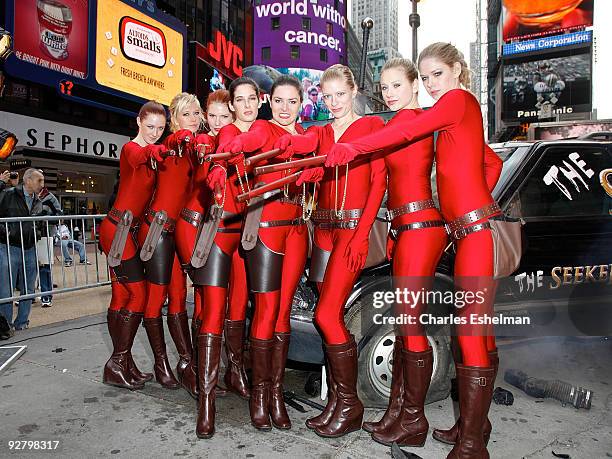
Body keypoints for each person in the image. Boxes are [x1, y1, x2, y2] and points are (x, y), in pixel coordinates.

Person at [325, 42, 503, 458]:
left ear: (458, 70)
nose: (430, 83)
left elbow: (405, 130)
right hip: (462, 230)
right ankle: (472, 426)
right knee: (474, 333)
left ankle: (470, 443)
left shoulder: (457, 100)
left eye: (434, 74)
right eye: (425, 77)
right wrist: (463, 207)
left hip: (469, 231)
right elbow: (488, 162)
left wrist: (474, 210)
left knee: (469, 333)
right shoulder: (451, 113)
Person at [274, 64, 387, 438]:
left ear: (353, 92)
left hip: (351, 228)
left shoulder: (371, 128)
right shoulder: (320, 131)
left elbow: (377, 183)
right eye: (328, 96)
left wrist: (360, 234)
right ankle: (338, 400)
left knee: (325, 315)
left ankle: (350, 402)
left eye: (340, 94)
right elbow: (301, 150)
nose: (334, 102)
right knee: (330, 313)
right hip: (320, 229)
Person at [219, 75, 309, 432]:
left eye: (293, 102)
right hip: (268, 226)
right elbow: (240, 140)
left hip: (299, 229)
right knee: (266, 310)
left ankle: (274, 393)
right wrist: (229, 143)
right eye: (280, 101)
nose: (286, 108)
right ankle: (259, 395)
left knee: (285, 313)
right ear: (269, 102)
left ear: (301, 104)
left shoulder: (306, 134)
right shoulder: (261, 130)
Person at [182, 79, 261, 439]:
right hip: (218, 232)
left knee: (239, 310)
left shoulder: (265, 130)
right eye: (238, 100)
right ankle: (207, 402)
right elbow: (225, 146)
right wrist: (217, 166)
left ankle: (236, 371)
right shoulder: (226, 133)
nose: (245, 106)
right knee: (212, 312)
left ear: (259, 102)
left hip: (249, 235)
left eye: (249, 100)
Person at [98, 100, 168, 391]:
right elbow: (141, 154)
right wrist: (162, 148)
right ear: (138, 122)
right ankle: (117, 361)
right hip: (118, 230)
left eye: (161, 128)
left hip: (127, 231)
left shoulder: (152, 156)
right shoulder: (132, 150)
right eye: (150, 126)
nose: (154, 132)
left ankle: (123, 364)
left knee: (121, 297)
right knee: (137, 296)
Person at [173, 88, 233, 399]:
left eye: (224, 116)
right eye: (212, 116)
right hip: (192, 226)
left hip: (212, 228)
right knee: (206, 300)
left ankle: (204, 373)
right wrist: (186, 138)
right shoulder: (203, 140)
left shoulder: (231, 140)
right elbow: (188, 143)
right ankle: (194, 372)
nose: (216, 121)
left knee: (209, 302)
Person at [137, 93, 200, 390]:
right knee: (155, 297)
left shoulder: (197, 149)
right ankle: (160, 363)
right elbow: (171, 145)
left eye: (196, 113)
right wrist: (179, 139)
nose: (193, 118)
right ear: (173, 119)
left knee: (179, 298)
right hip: (157, 230)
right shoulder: (167, 147)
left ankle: (186, 360)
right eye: (186, 113)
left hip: (180, 233)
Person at [0, 168, 45, 331]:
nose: (42, 184)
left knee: (29, 288)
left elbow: (40, 222)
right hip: (9, 247)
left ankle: (22, 322)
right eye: (39, 180)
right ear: (28, 181)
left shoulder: (38, 201)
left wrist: (37, 233)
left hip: (30, 248)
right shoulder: (9, 194)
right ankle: (5, 324)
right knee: (6, 288)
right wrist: (5, 232)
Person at [37, 188, 63, 308]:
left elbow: (59, 216)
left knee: (44, 266)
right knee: (28, 267)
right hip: (27, 236)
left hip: (44, 235)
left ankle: (46, 296)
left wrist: (44, 218)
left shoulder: (50, 197)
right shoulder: (25, 195)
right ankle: (27, 295)